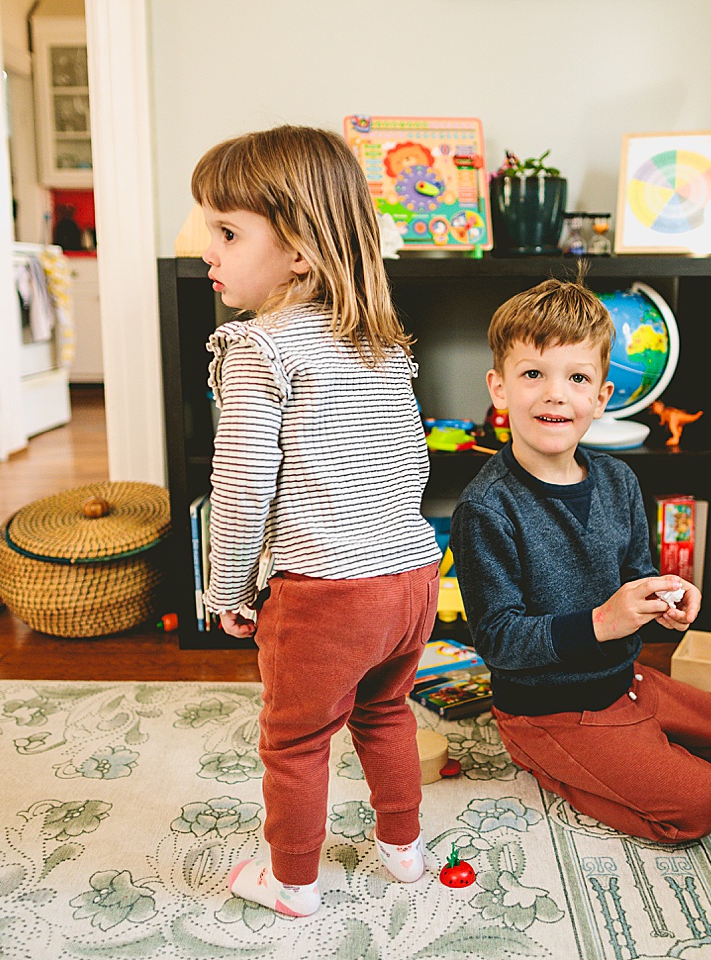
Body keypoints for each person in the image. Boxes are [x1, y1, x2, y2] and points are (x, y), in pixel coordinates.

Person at [193, 125, 441, 917]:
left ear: (299, 248)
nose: (212, 251)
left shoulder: (259, 347)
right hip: (411, 578)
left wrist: (227, 587)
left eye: (228, 232)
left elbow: (237, 489)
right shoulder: (379, 343)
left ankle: (292, 881)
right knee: (385, 710)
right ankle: (402, 849)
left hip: (329, 591)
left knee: (295, 739)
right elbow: (413, 460)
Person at [450, 276, 711, 844]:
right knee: (704, 803)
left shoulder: (619, 478)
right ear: (499, 388)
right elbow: (497, 639)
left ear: (602, 395)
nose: (554, 394)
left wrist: (666, 595)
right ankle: (548, 761)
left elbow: (636, 574)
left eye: (576, 378)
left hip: (622, 679)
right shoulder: (485, 507)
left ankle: (635, 742)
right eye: (532, 375)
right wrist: (602, 622)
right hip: (548, 709)